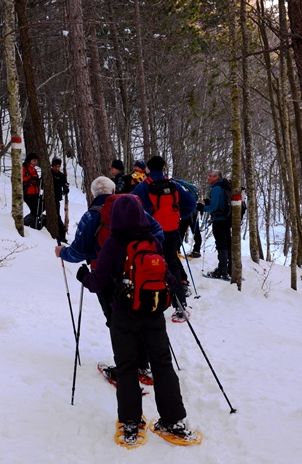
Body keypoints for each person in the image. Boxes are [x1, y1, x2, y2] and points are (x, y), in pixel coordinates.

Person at [75, 195, 199, 446]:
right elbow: (170, 281)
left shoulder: (113, 243)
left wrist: (83, 276)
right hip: (154, 315)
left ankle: (131, 423)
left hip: (124, 317)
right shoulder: (152, 240)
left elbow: (98, 282)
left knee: (127, 367)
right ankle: (173, 422)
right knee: (163, 366)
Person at [54, 176, 165, 384]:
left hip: (105, 277)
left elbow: (79, 251)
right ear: (113, 190)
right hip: (139, 274)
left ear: (93, 194)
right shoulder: (134, 208)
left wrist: (62, 252)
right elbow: (158, 233)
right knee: (140, 315)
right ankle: (144, 365)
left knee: (117, 322)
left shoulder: (91, 216)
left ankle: (129, 369)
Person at [131, 156, 196, 320]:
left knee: (150, 264)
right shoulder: (174, 185)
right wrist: (178, 216)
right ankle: (180, 304)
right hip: (172, 229)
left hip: (151, 232)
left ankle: (151, 301)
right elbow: (191, 203)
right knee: (172, 264)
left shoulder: (144, 186)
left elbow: (131, 204)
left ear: (148, 169)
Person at [199, 170, 231, 278]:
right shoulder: (223, 186)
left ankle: (222, 270)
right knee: (226, 243)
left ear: (217, 177)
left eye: (210, 176)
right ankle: (229, 268)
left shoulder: (216, 188)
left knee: (221, 244)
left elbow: (214, 207)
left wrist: (202, 207)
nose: (208, 178)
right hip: (226, 219)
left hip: (219, 220)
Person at [50, 158, 69, 242]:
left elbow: (65, 186)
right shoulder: (48, 174)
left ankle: (62, 236)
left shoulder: (61, 176)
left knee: (57, 216)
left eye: (58, 166)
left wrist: (65, 189)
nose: (57, 168)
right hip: (46, 198)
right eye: (55, 166)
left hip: (56, 198)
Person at [22, 152, 41, 219]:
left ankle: (29, 223)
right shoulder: (24, 168)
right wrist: (30, 178)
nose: (36, 162)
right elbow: (21, 179)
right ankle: (25, 222)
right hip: (28, 193)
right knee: (35, 212)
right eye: (34, 160)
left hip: (35, 192)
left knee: (38, 211)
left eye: (36, 161)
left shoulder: (34, 169)